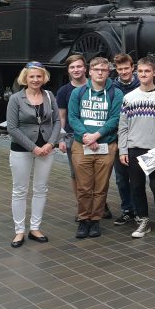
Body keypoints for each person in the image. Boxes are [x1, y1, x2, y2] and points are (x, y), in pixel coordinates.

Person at [118, 58, 155, 238]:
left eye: (147, 71)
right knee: (136, 187)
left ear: (154, 73)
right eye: (141, 71)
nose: (143, 74)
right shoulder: (129, 98)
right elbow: (123, 127)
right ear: (137, 73)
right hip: (135, 148)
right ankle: (143, 220)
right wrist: (123, 150)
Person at [68, 57, 124, 239]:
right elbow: (73, 117)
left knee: (101, 187)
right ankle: (83, 219)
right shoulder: (78, 93)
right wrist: (86, 136)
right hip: (81, 145)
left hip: (106, 146)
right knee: (84, 187)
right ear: (90, 71)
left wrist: (96, 136)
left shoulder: (116, 93)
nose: (100, 72)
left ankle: (95, 220)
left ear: (108, 72)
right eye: (96, 69)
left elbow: (115, 118)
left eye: (104, 70)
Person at [6, 62, 61, 248]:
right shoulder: (16, 98)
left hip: (46, 149)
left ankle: (35, 228)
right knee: (20, 190)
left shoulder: (49, 96)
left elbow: (57, 121)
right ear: (25, 78)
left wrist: (50, 143)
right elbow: (12, 128)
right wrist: (33, 148)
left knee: (41, 188)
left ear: (44, 78)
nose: (36, 80)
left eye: (39, 76)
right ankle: (19, 231)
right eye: (32, 76)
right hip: (22, 149)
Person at [56, 54, 88, 218]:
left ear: (85, 68)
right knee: (76, 173)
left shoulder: (95, 86)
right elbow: (61, 116)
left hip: (95, 136)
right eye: (72, 67)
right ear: (68, 70)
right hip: (72, 137)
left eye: (79, 66)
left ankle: (99, 205)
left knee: (96, 173)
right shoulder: (64, 91)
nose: (76, 70)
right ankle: (81, 206)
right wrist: (61, 139)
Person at [112, 53, 140, 226]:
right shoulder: (112, 87)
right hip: (118, 138)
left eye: (126, 68)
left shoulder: (141, 85)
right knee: (121, 178)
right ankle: (127, 209)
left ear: (132, 68)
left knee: (137, 178)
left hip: (138, 137)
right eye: (120, 69)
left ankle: (138, 210)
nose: (123, 72)